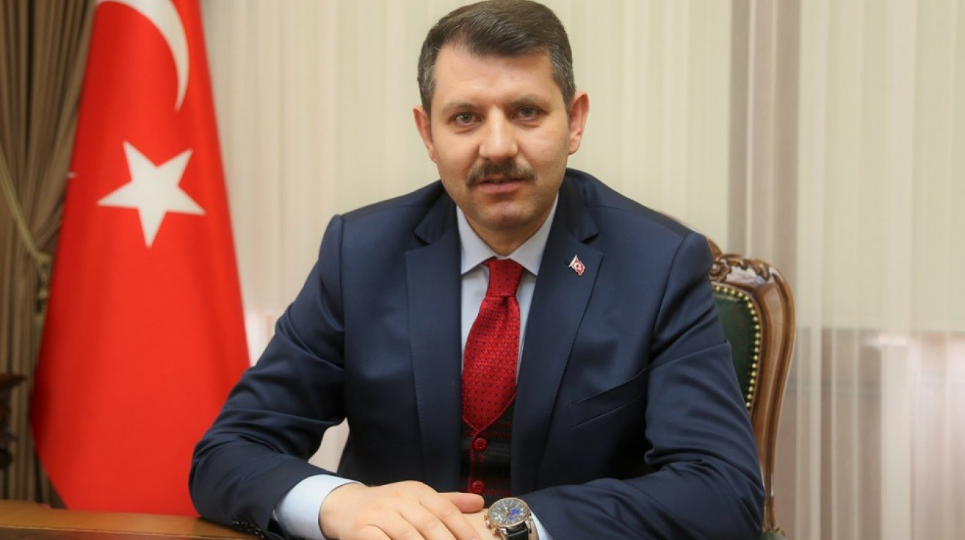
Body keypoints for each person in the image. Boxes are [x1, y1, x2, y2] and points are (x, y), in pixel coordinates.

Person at [190, 1, 764, 539]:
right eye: (465, 117)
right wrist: (341, 504)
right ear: (428, 134)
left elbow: (722, 489)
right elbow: (228, 453)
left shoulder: (658, 263)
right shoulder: (360, 253)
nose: (497, 146)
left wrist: (519, 527)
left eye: (526, 112)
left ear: (575, 121)